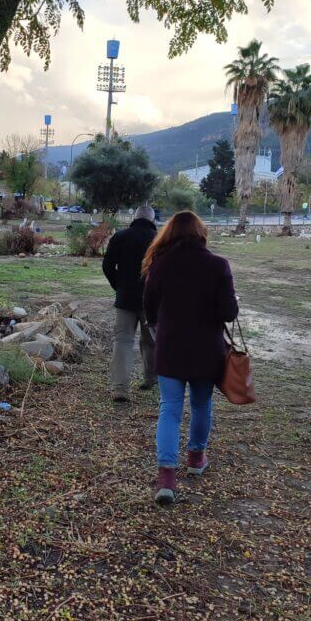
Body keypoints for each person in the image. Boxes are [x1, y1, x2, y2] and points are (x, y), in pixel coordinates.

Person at [143, 211, 239, 504]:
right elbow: (228, 313)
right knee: (201, 404)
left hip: (170, 347)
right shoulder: (218, 265)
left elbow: (148, 308)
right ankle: (196, 459)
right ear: (201, 233)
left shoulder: (160, 265)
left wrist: (160, 329)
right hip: (206, 349)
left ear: (169, 233)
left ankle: (166, 478)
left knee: (169, 409)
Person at [102, 205, 158, 402]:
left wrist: (119, 286)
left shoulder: (120, 237)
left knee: (123, 342)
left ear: (134, 217)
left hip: (125, 298)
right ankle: (150, 378)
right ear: (152, 220)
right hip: (152, 300)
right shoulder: (159, 240)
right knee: (151, 340)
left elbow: (107, 265)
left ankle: (120, 388)